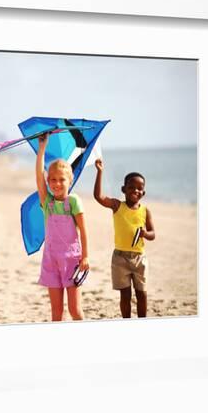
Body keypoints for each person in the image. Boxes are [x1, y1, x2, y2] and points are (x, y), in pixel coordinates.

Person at [35, 133, 90, 321]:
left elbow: (83, 231)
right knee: (56, 313)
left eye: (62, 180)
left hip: (71, 261)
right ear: (48, 182)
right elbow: (38, 177)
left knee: (75, 310)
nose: (57, 184)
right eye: (53, 180)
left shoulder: (73, 201)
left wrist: (86, 256)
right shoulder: (47, 203)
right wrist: (42, 147)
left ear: (70, 181)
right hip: (50, 260)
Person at [93, 158, 155, 318]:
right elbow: (98, 196)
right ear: (123, 189)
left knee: (142, 294)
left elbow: (153, 234)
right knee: (125, 295)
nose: (136, 191)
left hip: (139, 258)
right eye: (131, 187)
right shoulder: (117, 206)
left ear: (144, 193)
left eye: (140, 188)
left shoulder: (145, 211)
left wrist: (145, 234)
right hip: (120, 258)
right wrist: (100, 172)